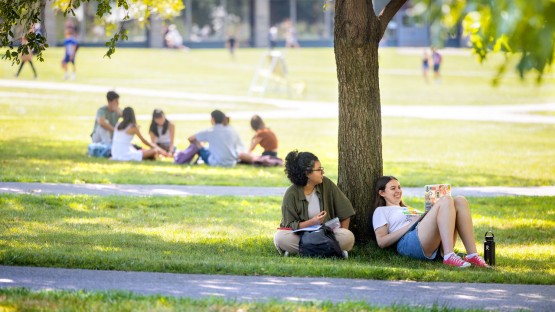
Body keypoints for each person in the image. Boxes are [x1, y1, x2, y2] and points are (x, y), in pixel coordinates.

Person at [372, 176, 490, 268]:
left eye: (399, 187)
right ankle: (449, 255)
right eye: (393, 188)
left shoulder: (408, 209)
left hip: (430, 241)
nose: (398, 191)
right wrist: (410, 224)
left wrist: (424, 215)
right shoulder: (381, 211)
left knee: (460, 200)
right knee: (446, 200)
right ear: (382, 193)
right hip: (408, 243)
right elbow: (382, 241)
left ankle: (472, 255)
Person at [274, 150, 355, 257]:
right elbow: (289, 225)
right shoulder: (291, 193)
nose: (322, 172)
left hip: (326, 235)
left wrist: (342, 231)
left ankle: (305, 250)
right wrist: (312, 222)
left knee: (348, 236)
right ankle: (329, 249)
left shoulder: (327, 184)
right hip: (301, 236)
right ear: (307, 173)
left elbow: (345, 212)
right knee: (280, 237)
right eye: (319, 169)